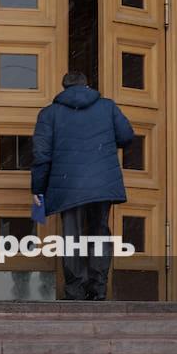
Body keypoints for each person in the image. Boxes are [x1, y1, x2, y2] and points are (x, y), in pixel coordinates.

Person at [30, 71, 134, 300]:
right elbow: (126, 136)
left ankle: (75, 290)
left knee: (72, 236)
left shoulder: (49, 113)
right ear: (87, 86)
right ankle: (98, 289)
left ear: (64, 87)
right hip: (101, 182)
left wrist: (38, 188)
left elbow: (41, 155)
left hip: (67, 182)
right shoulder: (107, 107)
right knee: (99, 232)